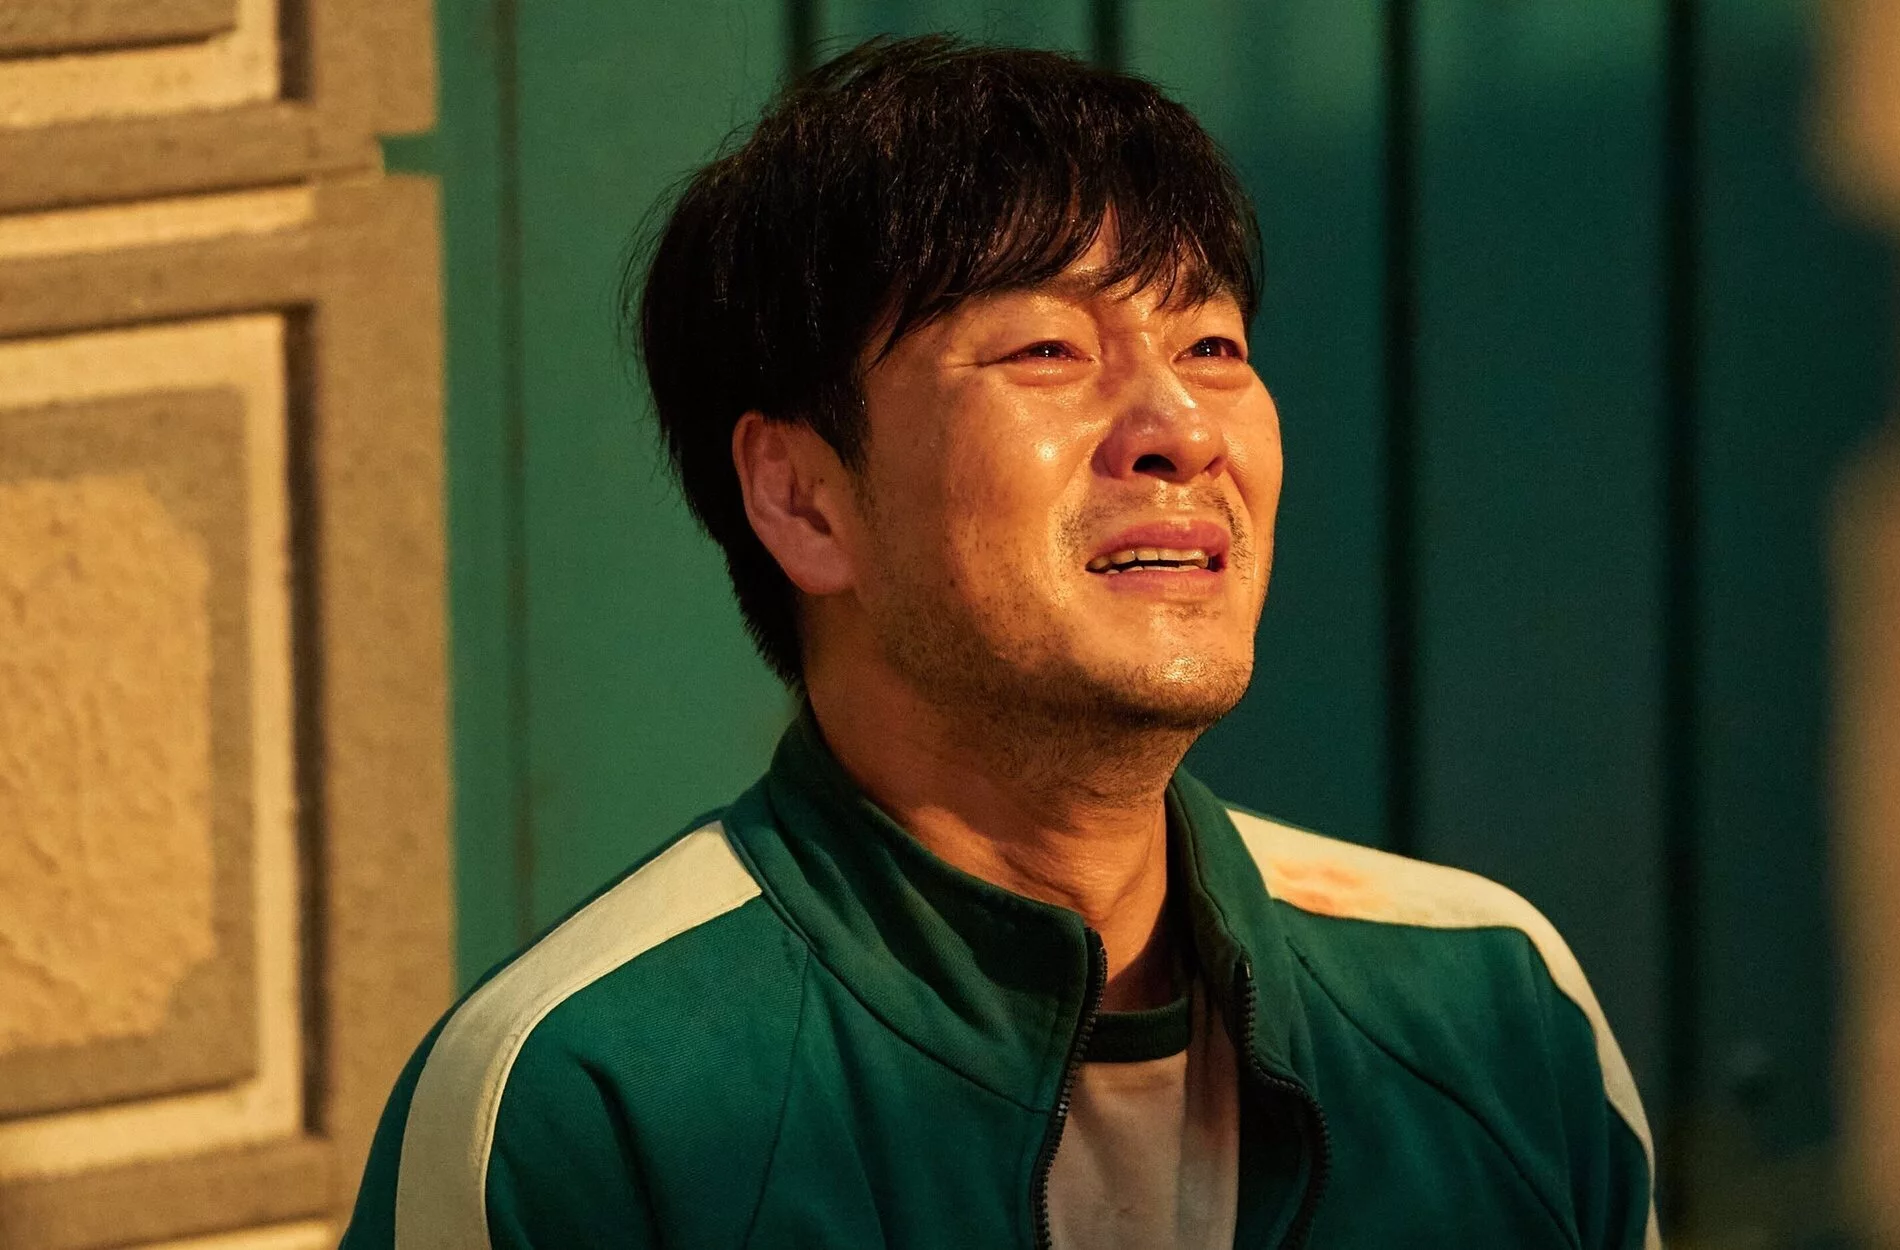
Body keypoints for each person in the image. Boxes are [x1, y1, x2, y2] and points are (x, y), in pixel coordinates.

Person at [343, 35, 1657, 1249]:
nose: (1182, 431)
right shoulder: (595, 1099)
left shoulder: (1489, 1005)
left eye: (1211, 343)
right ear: (802, 498)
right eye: (1046, 349)